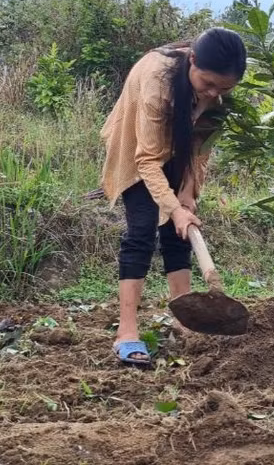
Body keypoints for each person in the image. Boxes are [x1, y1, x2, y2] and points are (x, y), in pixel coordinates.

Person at [99, 28, 247, 364]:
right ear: (192, 60)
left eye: (223, 88)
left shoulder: (219, 91)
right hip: (137, 148)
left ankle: (187, 320)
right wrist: (171, 207)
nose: (213, 93)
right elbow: (147, 159)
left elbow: (201, 148)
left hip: (180, 151)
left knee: (178, 233)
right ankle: (127, 331)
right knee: (141, 233)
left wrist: (187, 194)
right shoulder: (157, 80)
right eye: (207, 84)